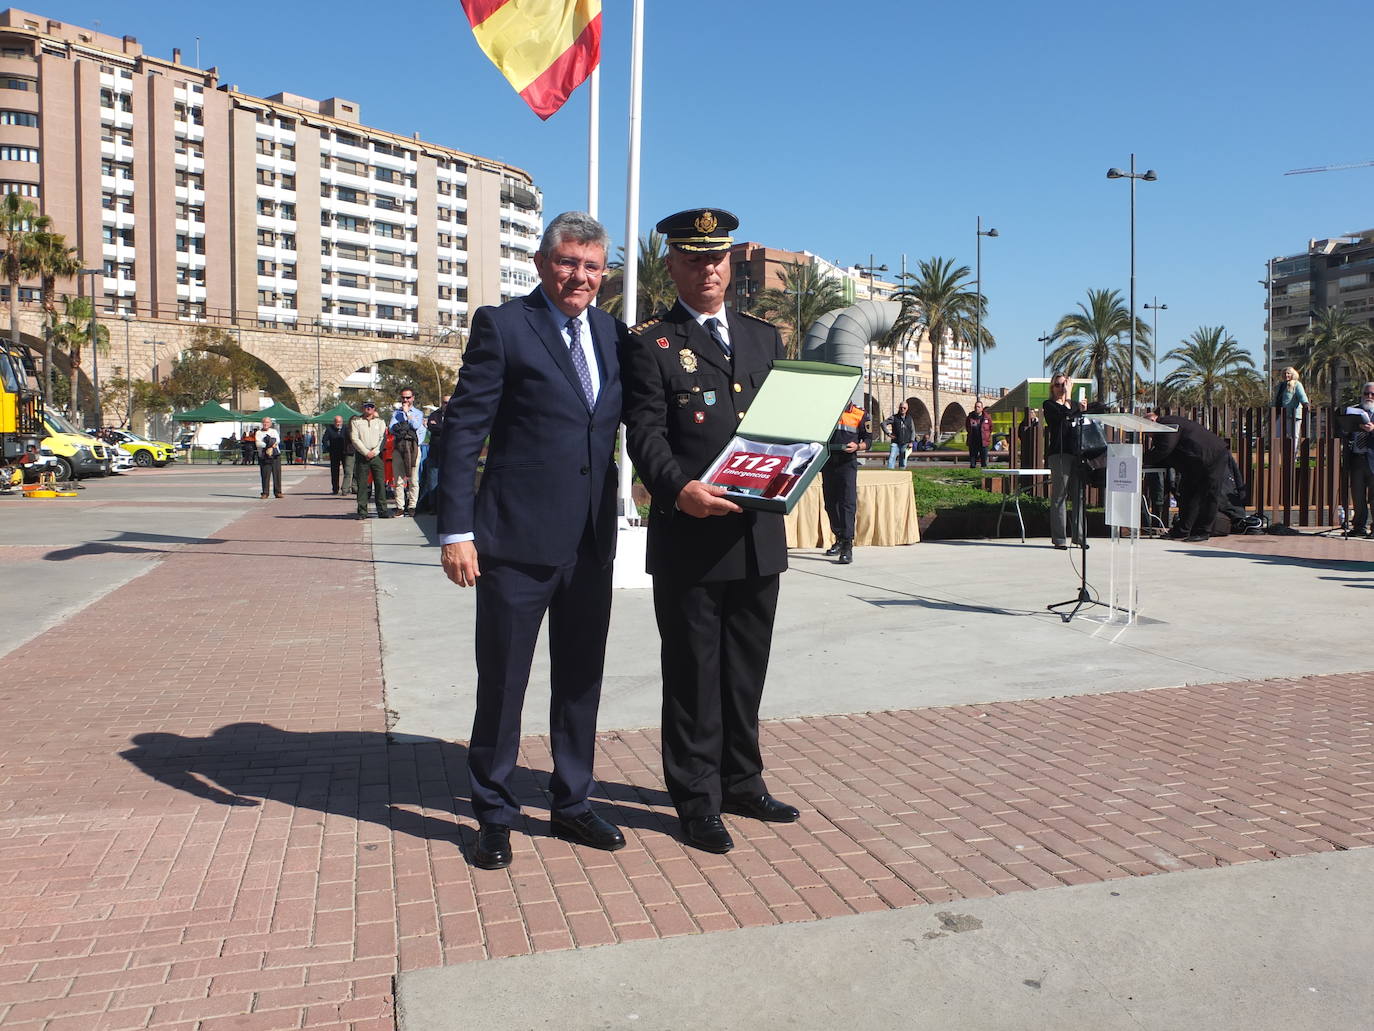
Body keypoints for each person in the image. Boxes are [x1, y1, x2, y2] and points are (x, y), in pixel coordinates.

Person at [438, 211, 629, 870]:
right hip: (513, 542)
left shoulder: (611, 333)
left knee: (580, 681)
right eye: (569, 262)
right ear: (545, 263)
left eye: (592, 266)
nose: (580, 276)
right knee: (504, 682)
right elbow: (464, 429)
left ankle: (572, 799)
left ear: (605, 274)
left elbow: (639, 420)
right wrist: (457, 528)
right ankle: (493, 809)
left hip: (590, 543)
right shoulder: (504, 325)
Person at [622, 207, 800, 857]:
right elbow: (644, 431)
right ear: (672, 264)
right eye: (694, 258)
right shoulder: (650, 342)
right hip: (690, 534)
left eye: (717, 257)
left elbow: (781, 426)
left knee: (745, 670)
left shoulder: (762, 338)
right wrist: (677, 488)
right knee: (694, 673)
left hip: (757, 533)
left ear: (731, 264)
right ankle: (696, 799)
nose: (708, 269)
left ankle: (742, 780)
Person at [1143, 412, 1231, 542]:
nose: (1147, 432)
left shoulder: (1167, 424)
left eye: (1147, 427)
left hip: (1211, 457)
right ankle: (1182, 530)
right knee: (1186, 495)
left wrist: (1141, 459)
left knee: (1208, 495)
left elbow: (1165, 448)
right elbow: (1165, 452)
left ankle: (1203, 531)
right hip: (1193, 464)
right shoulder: (1161, 429)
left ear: (1154, 419)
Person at [822, 401, 870, 564]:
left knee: (847, 504)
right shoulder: (827, 411)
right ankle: (839, 538)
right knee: (830, 504)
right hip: (828, 463)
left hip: (847, 464)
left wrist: (857, 446)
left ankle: (847, 546)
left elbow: (869, 441)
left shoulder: (861, 414)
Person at [1043, 375, 1086, 549]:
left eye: (1064, 384)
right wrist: (1067, 398)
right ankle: (1060, 538)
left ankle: (1080, 537)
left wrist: (1083, 410)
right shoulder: (1050, 405)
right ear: (1052, 388)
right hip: (1059, 454)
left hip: (1077, 453)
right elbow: (1063, 417)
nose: (1061, 388)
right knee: (1060, 496)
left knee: (1078, 496)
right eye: (1058, 385)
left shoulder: (1075, 405)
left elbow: (1080, 423)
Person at [350, 401, 391, 519]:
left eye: (371, 406)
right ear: (362, 408)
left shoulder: (380, 422)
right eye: (366, 406)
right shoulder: (356, 422)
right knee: (362, 484)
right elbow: (354, 438)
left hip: (377, 455)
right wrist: (366, 452)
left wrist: (375, 451)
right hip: (362, 455)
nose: (369, 409)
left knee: (380, 483)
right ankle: (362, 512)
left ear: (374, 408)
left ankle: (382, 511)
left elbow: (383, 438)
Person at [1343, 382, 1374, 538]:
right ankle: (1358, 526)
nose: (1369, 397)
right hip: (1356, 459)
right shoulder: (1355, 412)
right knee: (1357, 496)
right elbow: (1343, 430)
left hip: (1372, 460)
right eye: (1366, 394)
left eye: (1372, 394)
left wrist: (1373, 430)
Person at [389, 389, 425, 516]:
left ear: (413, 398)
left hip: (414, 448)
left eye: (408, 398)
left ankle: (412, 506)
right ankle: (400, 506)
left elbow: (415, 425)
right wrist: (402, 425)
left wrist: (406, 415)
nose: (405, 400)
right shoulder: (395, 414)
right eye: (403, 398)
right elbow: (392, 429)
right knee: (398, 480)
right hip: (399, 448)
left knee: (413, 479)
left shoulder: (418, 413)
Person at [1274, 366, 1308, 446]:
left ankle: (1293, 456)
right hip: (1281, 413)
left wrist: (1305, 403)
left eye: (1288, 373)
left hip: (1293, 414)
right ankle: (1282, 454)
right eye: (1285, 373)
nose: (1286, 375)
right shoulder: (1281, 385)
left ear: (1293, 374)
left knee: (1294, 436)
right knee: (1277, 435)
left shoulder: (1297, 384)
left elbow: (1302, 396)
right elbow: (1276, 398)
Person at [322, 415, 353, 495]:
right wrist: (328, 448)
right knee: (334, 471)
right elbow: (324, 439)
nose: (338, 424)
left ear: (342, 422)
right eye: (336, 422)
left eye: (339, 422)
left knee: (347, 470)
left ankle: (346, 487)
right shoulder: (329, 429)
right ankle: (335, 488)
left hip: (344, 452)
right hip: (334, 452)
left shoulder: (346, 428)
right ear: (334, 422)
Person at [257, 416, 283, 499]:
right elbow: (258, 443)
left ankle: (278, 492)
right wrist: (269, 445)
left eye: (267, 422)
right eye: (264, 422)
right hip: (264, 456)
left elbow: (277, 440)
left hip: (275, 456)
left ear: (270, 424)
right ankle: (265, 493)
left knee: (277, 474)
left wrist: (271, 446)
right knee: (265, 475)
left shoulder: (274, 431)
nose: (265, 424)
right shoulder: (258, 433)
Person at [885, 401, 915, 469]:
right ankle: (890, 474)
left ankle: (902, 474)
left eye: (904, 408)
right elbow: (883, 424)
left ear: (907, 409)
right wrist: (888, 433)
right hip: (895, 443)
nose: (902, 409)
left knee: (903, 461)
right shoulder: (894, 417)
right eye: (901, 408)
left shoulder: (909, 418)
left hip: (905, 443)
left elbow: (913, 430)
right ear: (899, 408)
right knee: (891, 459)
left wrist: (911, 441)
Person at [965, 400, 992, 468]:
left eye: (978, 407)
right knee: (973, 462)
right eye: (975, 407)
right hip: (973, 442)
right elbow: (967, 427)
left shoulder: (987, 417)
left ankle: (983, 476)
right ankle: (972, 475)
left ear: (982, 408)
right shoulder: (970, 417)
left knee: (984, 462)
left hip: (983, 442)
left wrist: (987, 436)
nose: (976, 408)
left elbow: (991, 428)